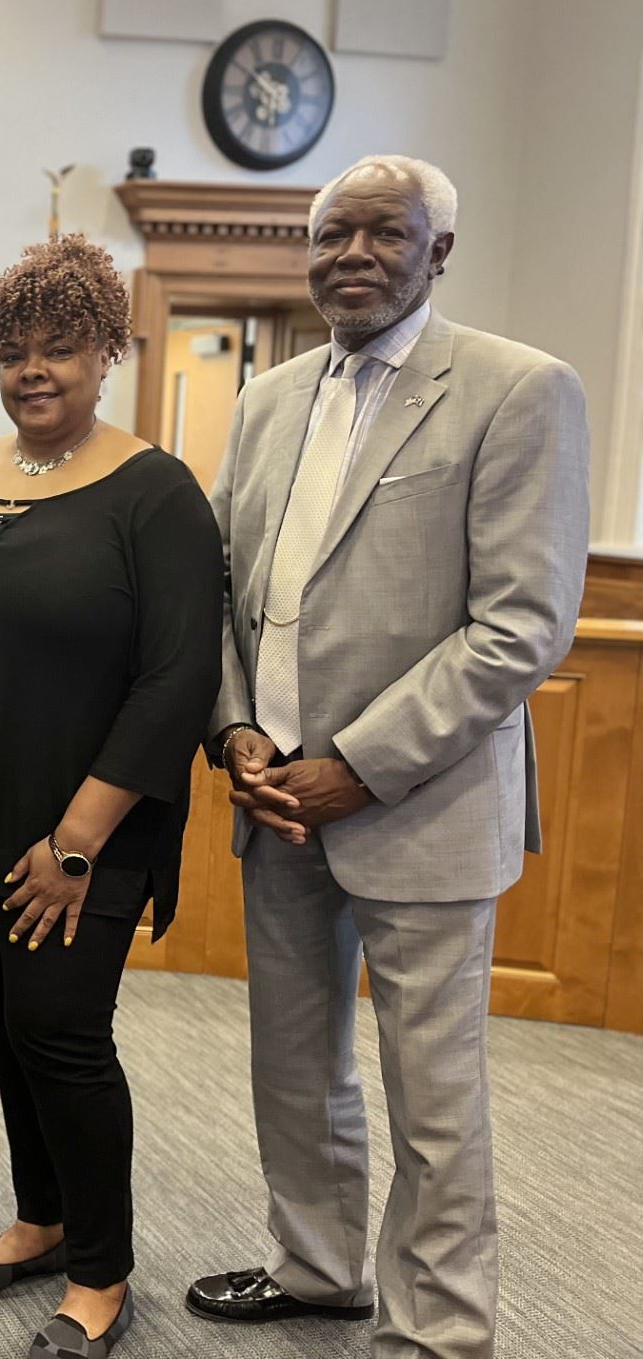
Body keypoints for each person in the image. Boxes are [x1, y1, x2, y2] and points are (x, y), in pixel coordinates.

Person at [188, 156, 590, 1359]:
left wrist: (356, 762)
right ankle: (315, 1269)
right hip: (277, 797)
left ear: (438, 252)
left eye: (385, 233)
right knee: (294, 1068)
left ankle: (439, 1330)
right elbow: (222, 587)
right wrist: (236, 729)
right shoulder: (269, 399)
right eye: (331, 233)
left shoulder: (519, 390)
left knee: (435, 1099)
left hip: (419, 800)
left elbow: (521, 624)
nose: (353, 254)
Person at [0, 235, 223, 1358]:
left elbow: (179, 676)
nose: (37, 371)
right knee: (13, 1023)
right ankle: (39, 1220)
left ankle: (101, 1275)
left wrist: (77, 840)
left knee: (63, 1032)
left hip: (89, 829)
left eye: (64, 350)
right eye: (16, 351)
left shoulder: (156, 491)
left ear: (107, 354)